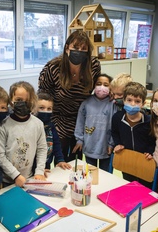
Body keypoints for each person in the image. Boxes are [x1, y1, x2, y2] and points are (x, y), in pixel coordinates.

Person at [38, 30, 101, 163]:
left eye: (84, 49)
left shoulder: (93, 65)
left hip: (81, 119)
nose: (79, 51)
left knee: (75, 159)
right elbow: (43, 94)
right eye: (76, 48)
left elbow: (98, 87)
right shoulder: (53, 67)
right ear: (67, 48)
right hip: (58, 118)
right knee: (58, 157)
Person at [0, 81, 47, 187]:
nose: (23, 103)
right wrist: (16, 176)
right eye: (18, 100)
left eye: (27, 100)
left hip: (30, 178)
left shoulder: (38, 124)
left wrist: (39, 171)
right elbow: (0, 155)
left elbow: (42, 148)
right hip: (6, 180)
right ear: (11, 101)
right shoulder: (3, 126)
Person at [111, 82, 156, 185]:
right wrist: (117, 144)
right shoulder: (117, 118)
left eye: (137, 101)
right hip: (127, 160)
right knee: (129, 185)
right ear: (124, 101)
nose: (132, 104)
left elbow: (153, 140)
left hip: (144, 162)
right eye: (129, 100)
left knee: (144, 187)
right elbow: (115, 132)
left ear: (143, 104)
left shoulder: (148, 121)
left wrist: (150, 152)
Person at [73, 73, 116, 172]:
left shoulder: (113, 104)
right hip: (89, 146)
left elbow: (115, 127)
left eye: (106, 85)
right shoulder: (86, 103)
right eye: (99, 83)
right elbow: (80, 122)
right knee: (90, 176)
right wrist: (79, 140)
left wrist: (111, 144)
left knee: (105, 176)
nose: (102, 87)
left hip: (106, 148)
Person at [35, 92, 71, 176]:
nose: (45, 111)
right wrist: (39, 170)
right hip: (33, 168)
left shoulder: (51, 126)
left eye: (49, 109)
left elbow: (56, 144)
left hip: (47, 164)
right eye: (41, 108)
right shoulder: (32, 127)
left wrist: (60, 160)